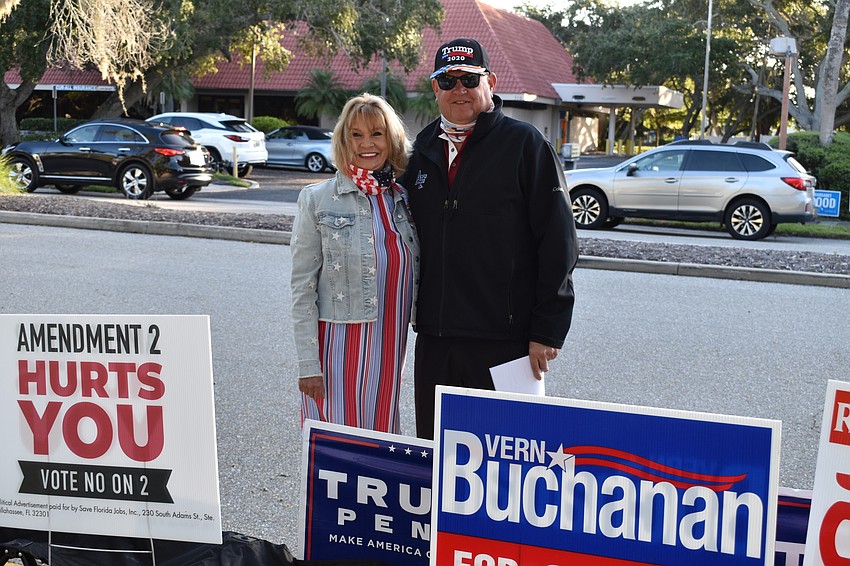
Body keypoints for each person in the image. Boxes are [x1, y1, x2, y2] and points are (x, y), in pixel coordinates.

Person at [400, 38, 578, 439]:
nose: (459, 90)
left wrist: (547, 329)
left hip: (507, 342)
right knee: (439, 457)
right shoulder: (418, 151)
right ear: (435, 88)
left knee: (507, 467)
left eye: (469, 79)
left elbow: (558, 241)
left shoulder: (525, 145)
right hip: (437, 338)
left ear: (490, 82)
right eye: (448, 81)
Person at [290, 93, 418, 434]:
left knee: (379, 441)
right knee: (333, 450)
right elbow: (302, 288)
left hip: (389, 351)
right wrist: (308, 365)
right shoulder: (317, 200)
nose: (367, 144)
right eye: (356, 135)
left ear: (391, 141)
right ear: (343, 140)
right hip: (335, 355)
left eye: (376, 134)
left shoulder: (402, 201)